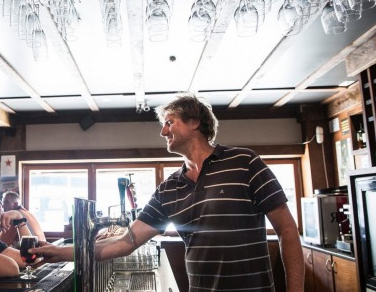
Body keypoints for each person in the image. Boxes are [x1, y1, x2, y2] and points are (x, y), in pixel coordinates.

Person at [31, 94, 304, 291]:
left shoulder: (244, 161)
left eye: (169, 122)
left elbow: (287, 230)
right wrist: (65, 251)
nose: (163, 131)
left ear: (195, 122)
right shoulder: (168, 189)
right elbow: (126, 241)